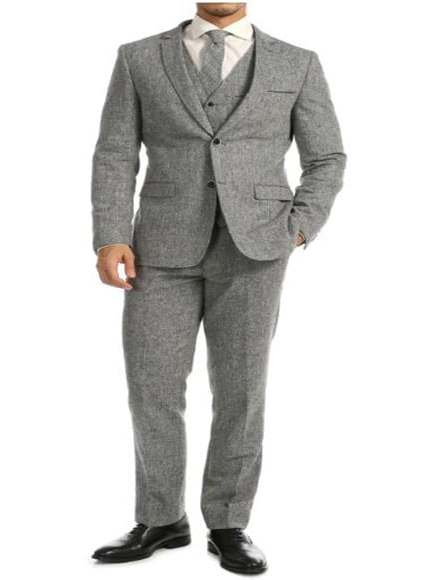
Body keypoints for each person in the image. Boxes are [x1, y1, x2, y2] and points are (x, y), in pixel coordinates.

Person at [90, 2, 347, 574]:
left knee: (241, 390)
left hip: (256, 247)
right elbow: (115, 152)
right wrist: (110, 235)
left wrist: (298, 227)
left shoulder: (298, 63)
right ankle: (161, 518)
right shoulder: (138, 57)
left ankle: (229, 523)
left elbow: (327, 157)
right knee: (151, 385)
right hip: (158, 247)